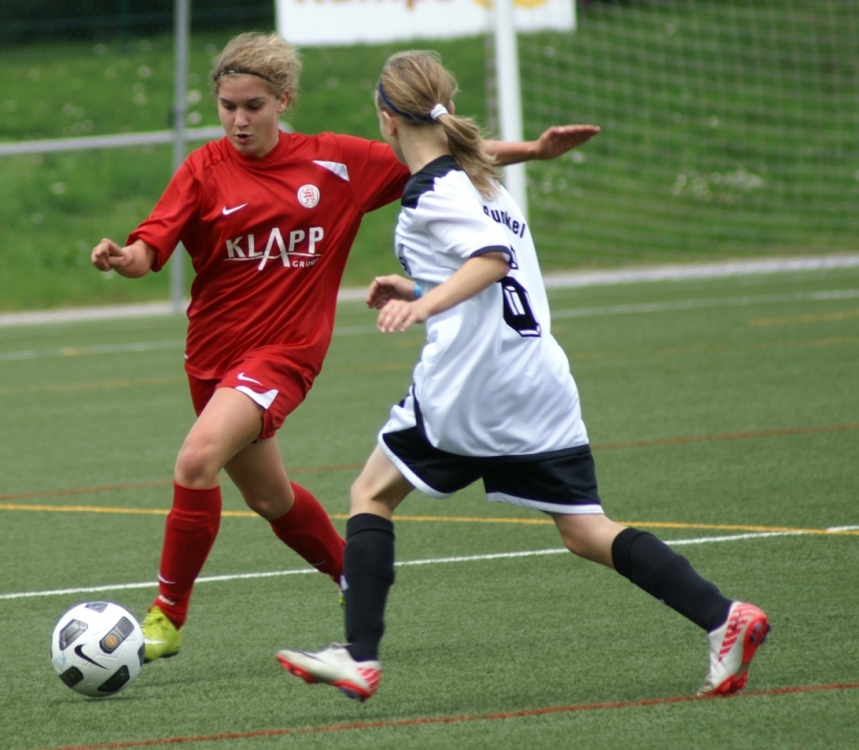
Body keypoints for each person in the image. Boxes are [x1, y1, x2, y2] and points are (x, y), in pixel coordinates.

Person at [275, 50, 769, 702]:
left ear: (387, 120)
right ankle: (722, 617)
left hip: (471, 386)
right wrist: (424, 280)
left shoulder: (429, 195)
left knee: (371, 493)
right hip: (539, 381)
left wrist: (422, 303)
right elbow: (486, 261)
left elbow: (491, 258)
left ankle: (360, 657)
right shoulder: (482, 181)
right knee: (586, 529)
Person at [91, 32, 600, 663]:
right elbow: (150, 249)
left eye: (253, 105)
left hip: (284, 354)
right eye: (227, 106)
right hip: (212, 359)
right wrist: (123, 258)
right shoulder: (203, 170)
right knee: (270, 499)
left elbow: (439, 150)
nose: (239, 119)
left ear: (283, 99)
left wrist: (535, 151)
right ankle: (349, 574)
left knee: (195, 461)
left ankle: (165, 618)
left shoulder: (335, 162)